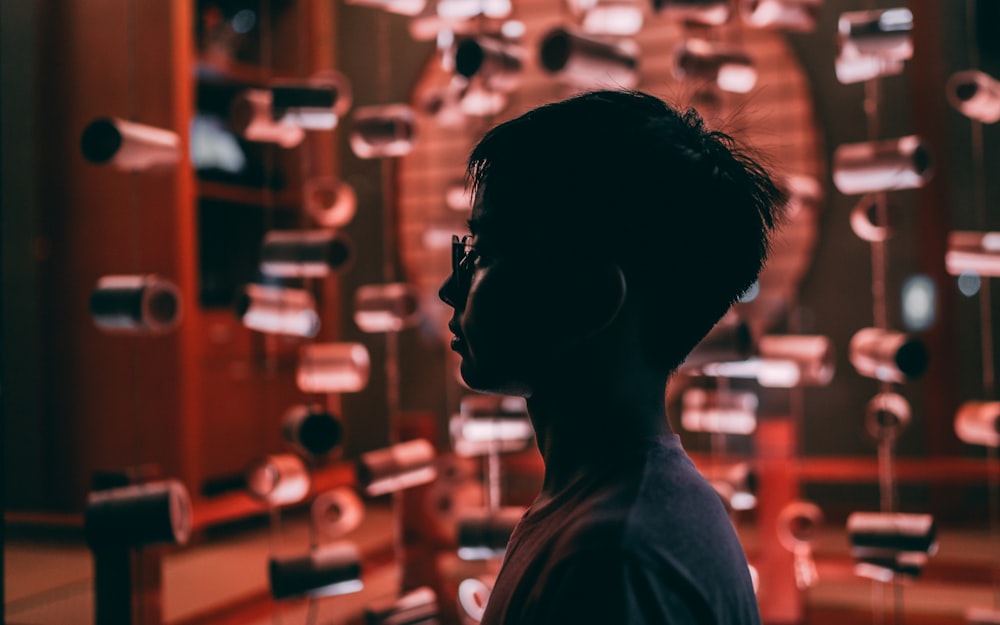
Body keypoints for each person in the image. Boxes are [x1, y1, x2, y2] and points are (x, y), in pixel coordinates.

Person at [438, 89, 785, 625]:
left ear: (591, 297)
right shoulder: (616, 509)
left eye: (482, 253)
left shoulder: (612, 560)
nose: (447, 288)